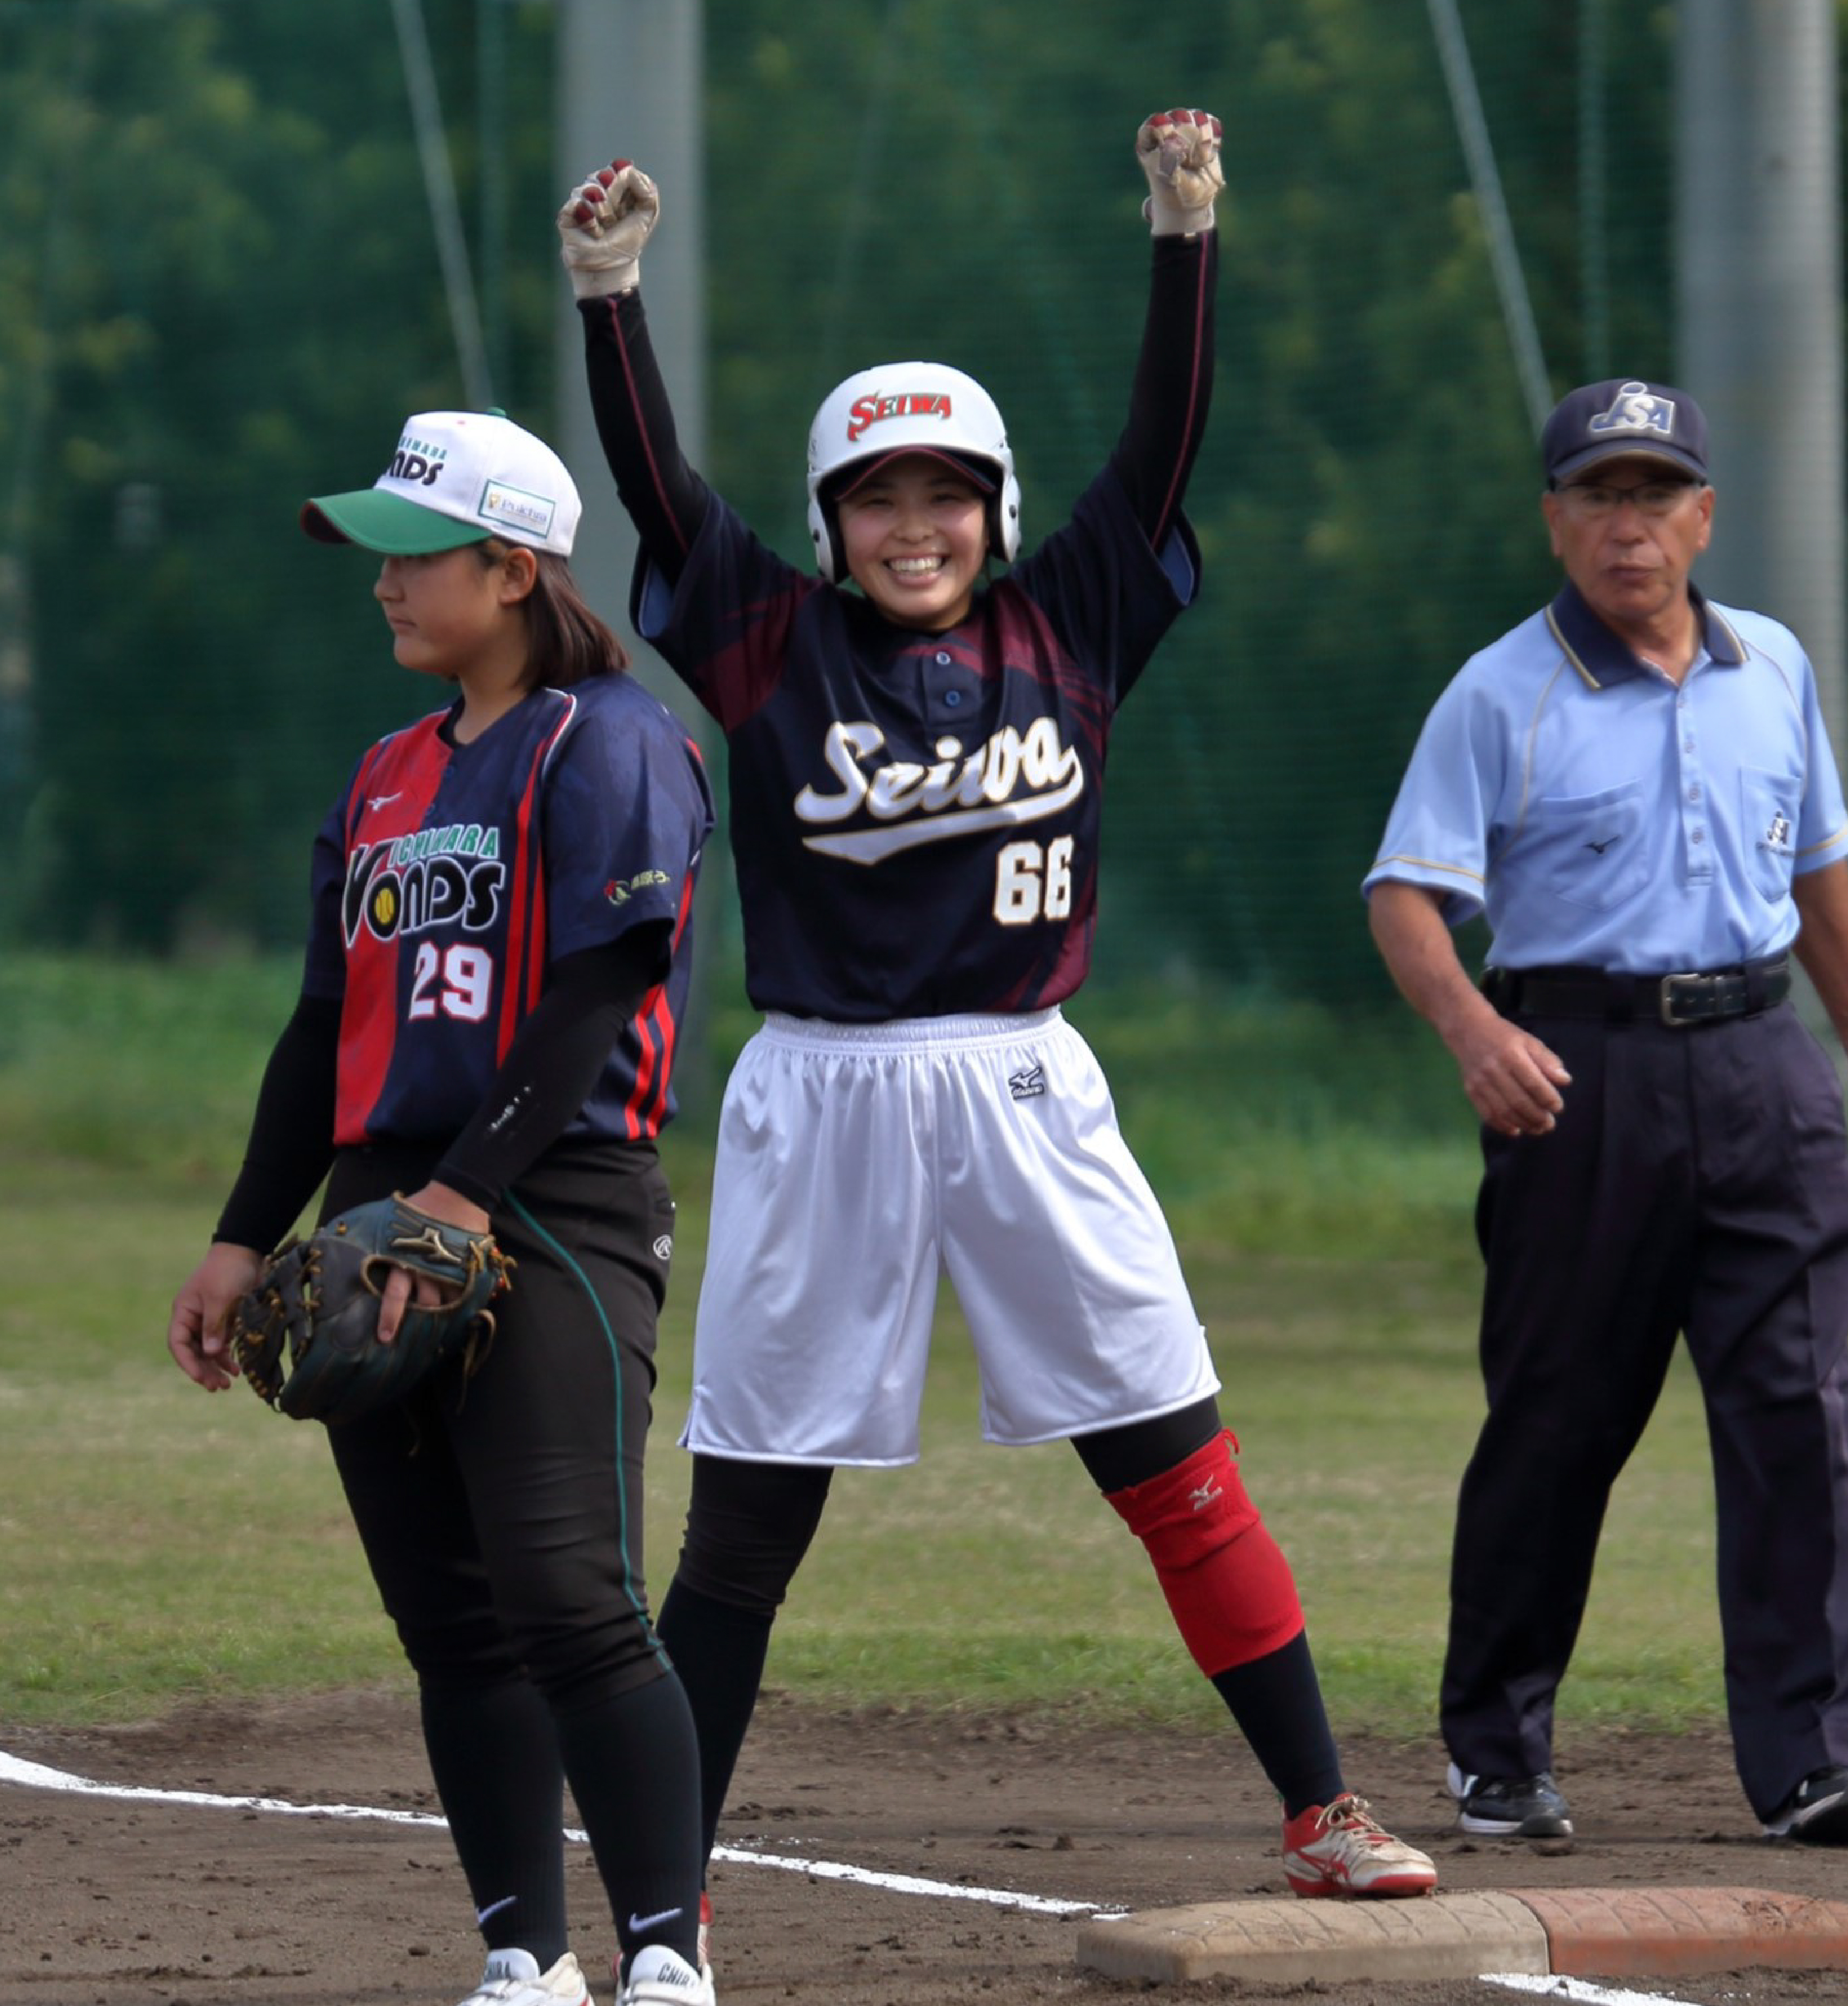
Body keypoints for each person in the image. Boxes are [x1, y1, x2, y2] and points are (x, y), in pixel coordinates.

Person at [555, 111, 1439, 1910]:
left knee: (1172, 1448)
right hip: (826, 1091)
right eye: (877, 496)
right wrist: (610, 294)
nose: (914, 523)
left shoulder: (1075, 619)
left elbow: (1163, 449)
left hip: (1033, 1082)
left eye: (946, 491)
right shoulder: (765, 638)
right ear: (830, 522)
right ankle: (670, 1889)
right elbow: (659, 495)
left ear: (996, 510)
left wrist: (1183, 232)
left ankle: (1323, 1808)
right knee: (749, 1521)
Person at [165, 410, 719, 2006]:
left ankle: (669, 1954)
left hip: (552, 1196)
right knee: (451, 1612)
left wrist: (466, 1194)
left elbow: (607, 988)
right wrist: (238, 1231)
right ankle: (524, 1954)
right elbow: (318, 1021)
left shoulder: (609, 737)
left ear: (514, 566)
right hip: (373, 1196)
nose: (386, 583)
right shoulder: (387, 775)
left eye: (416, 555)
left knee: (570, 1588)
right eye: (379, 554)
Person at [1364, 378, 1848, 1850]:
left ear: (1703, 515)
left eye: (1654, 495)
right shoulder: (1504, 690)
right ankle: (1497, 1746)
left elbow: (1816, 867)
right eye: (1598, 498)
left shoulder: (1774, 670)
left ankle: (1819, 1757)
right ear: (1556, 522)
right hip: (1578, 1074)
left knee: (1798, 1414)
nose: (1629, 528)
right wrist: (1476, 1030)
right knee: (1561, 1418)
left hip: (1763, 1065)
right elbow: (1406, 896)